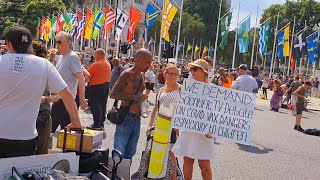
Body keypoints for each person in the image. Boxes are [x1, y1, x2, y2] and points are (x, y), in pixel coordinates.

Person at [0, 26, 82, 158]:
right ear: (29, 45)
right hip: (25, 135)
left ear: (8, 44)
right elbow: (66, 94)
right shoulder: (43, 64)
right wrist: (76, 121)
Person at [173, 59, 214, 180]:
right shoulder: (187, 87)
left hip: (204, 132)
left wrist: (213, 130)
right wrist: (177, 123)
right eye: (191, 69)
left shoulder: (213, 89)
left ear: (204, 71)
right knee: (188, 161)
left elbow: (217, 112)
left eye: (195, 69)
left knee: (204, 165)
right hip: (189, 129)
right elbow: (181, 107)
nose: (192, 71)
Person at [110, 48, 152, 160]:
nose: (149, 65)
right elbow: (113, 94)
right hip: (126, 116)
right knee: (119, 149)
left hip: (137, 118)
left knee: (131, 151)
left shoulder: (142, 75)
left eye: (150, 62)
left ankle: (124, 174)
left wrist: (143, 104)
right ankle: (115, 174)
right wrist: (136, 97)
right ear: (138, 60)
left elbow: (140, 95)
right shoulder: (127, 74)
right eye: (147, 62)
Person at [146, 64, 181, 179]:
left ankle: (174, 178)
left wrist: (178, 127)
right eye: (170, 73)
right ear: (165, 74)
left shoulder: (181, 90)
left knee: (171, 156)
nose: (172, 76)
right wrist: (149, 126)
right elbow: (155, 109)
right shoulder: (160, 90)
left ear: (178, 76)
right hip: (159, 126)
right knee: (158, 154)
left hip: (172, 127)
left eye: (175, 74)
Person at [51, 31, 87, 133]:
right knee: (51, 129)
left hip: (67, 101)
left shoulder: (72, 57)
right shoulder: (61, 57)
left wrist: (82, 98)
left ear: (69, 43)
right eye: (56, 42)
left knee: (68, 133)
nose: (57, 44)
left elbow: (81, 78)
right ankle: (44, 148)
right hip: (59, 100)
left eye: (59, 42)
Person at [87, 48, 111, 130]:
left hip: (96, 86)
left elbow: (87, 74)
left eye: (95, 54)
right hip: (105, 85)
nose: (94, 56)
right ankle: (100, 123)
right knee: (102, 105)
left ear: (100, 54)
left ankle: (96, 124)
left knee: (95, 105)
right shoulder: (107, 63)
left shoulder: (97, 64)